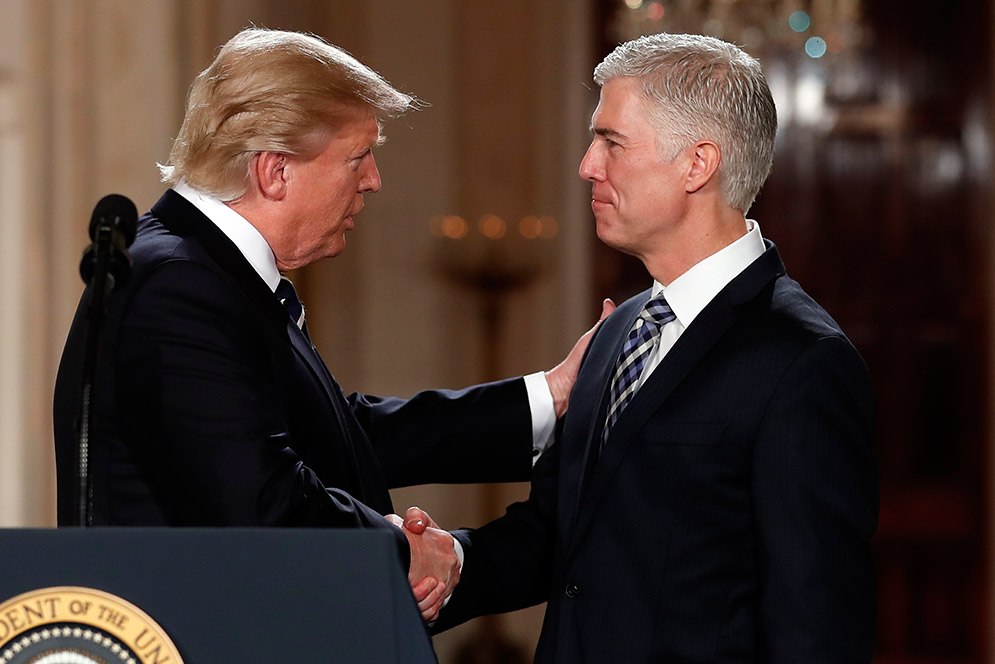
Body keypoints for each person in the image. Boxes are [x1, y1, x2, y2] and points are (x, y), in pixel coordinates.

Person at [52, 28, 608, 622]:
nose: (373, 179)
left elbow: (336, 436)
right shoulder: (178, 285)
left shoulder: (202, 268)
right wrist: (405, 549)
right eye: (357, 156)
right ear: (275, 172)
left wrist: (550, 396)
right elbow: (263, 504)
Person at [406, 32, 878, 661]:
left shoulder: (804, 361)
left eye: (611, 142)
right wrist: (453, 560)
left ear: (697, 164)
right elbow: (564, 538)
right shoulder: (617, 332)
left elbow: (816, 624)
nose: (586, 165)